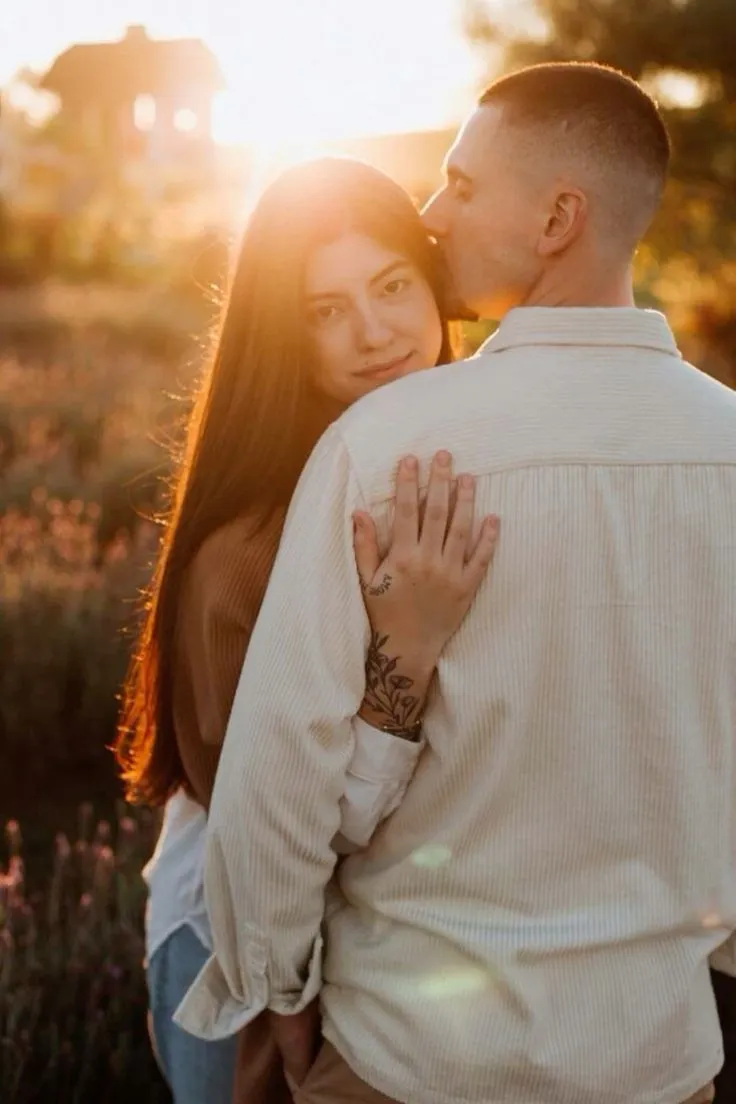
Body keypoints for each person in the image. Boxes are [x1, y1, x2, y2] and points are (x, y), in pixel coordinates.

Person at [177, 62, 736, 1104]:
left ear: (558, 216)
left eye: (461, 186)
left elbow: (276, 787)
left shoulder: (384, 448)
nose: (432, 216)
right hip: (654, 1061)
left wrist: (284, 989)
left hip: (406, 1062)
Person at [114, 156, 498, 1104]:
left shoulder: (473, 450)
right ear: (282, 335)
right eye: (324, 310)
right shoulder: (251, 543)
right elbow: (278, 820)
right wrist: (404, 648)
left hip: (396, 937)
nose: (374, 334)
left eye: (392, 285)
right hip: (240, 951)